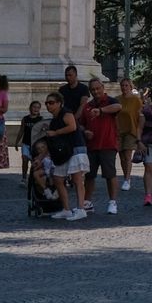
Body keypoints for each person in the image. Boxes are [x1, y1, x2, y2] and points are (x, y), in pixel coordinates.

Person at [42, 91, 89, 221]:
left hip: (75, 148)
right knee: (57, 178)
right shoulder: (54, 120)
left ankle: (81, 209)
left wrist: (56, 133)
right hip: (63, 152)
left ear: (59, 103)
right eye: (46, 103)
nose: (48, 105)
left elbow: (73, 126)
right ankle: (66, 209)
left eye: (51, 103)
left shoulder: (66, 113)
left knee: (77, 178)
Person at [79, 77, 122, 214]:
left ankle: (113, 202)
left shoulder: (110, 101)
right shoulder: (88, 106)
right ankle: (87, 201)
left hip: (108, 144)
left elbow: (118, 107)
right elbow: (80, 124)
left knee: (110, 174)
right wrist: (85, 131)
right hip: (91, 146)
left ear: (103, 88)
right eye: (93, 90)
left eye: (98, 88)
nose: (96, 91)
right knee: (89, 175)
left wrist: (101, 110)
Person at [115, 77, 142, 190]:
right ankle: (126, 177)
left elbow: (139, 117)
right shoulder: (117, 99)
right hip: (119, 130)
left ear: (131, 87)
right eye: (122, 85)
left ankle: (127, 179)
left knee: (127, 156)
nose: (124, 87)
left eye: (126, 85)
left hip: (131, 130)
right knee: (121, 157)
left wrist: (139, 133)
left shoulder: (136, 100)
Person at [16, 99, 44, 186]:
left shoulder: (41, 119)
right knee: (24, 159)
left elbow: (43, 132)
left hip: (36, 145)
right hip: (26, 143)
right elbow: (21, 131)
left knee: (35, 162)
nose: (36, 109)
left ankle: (35, 178)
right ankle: (24, 178)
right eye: (34, 107)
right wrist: (17, 142)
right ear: (30, 108)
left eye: (38, 108)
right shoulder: (25, 119)